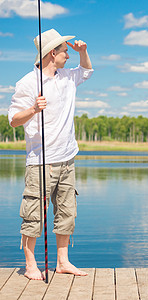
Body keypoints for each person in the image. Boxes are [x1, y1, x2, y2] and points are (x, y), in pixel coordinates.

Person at [8, 29, 93, 280]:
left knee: (67, 212)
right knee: (34, 213)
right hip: (40, 162)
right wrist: (33, 109)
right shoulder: (27, 83)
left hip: (67, 158)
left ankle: (63, 262)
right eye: (65, 51)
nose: (68, 55)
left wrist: (83, 51)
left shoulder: (67, 77)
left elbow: (87, 71)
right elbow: (13, 120)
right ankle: (31, 265)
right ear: (52, 53)